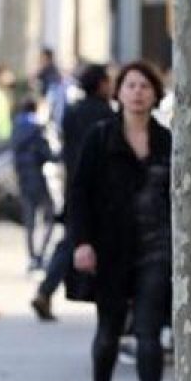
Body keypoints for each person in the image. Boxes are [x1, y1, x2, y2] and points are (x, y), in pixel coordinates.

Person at [70, 61, 171, 381]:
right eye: (130, 85)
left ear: (155, 94)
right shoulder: (100, 138)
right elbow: (79, 193)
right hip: (110, 249)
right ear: (118, 93)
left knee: (148, 334)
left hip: (155, 248)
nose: (138, 92)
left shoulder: (168, 141)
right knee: (109, 332)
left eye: (145, 86)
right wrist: (82, 242)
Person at [31, 64, 114, 321]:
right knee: (80, 242)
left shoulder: (72, 112)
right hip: (101, 188)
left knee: (71, 239)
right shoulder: (105, 114)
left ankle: (46, 290)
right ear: (100, 84)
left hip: (74, 184)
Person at [12, 98, 57, 271]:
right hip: (37, 177)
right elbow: (47, 153)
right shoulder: (37, 128)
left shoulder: (17, 127)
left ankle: (32, 256)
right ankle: (40, 255)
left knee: (30, 219)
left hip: (23, 177)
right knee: (50, 215)